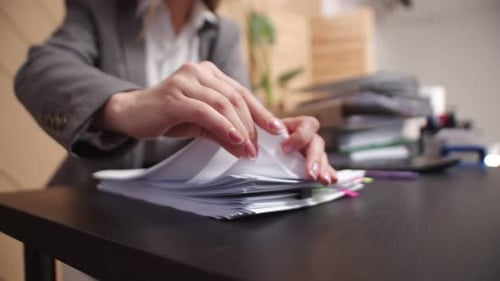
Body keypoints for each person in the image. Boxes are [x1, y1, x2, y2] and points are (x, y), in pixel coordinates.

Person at [15, 0, 337, 190]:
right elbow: (40, 68)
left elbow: (240, 123)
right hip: (89, 205)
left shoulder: (225, 33)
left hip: (184, 213)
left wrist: (281, 142)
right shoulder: (99, 10)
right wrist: (128, 104)